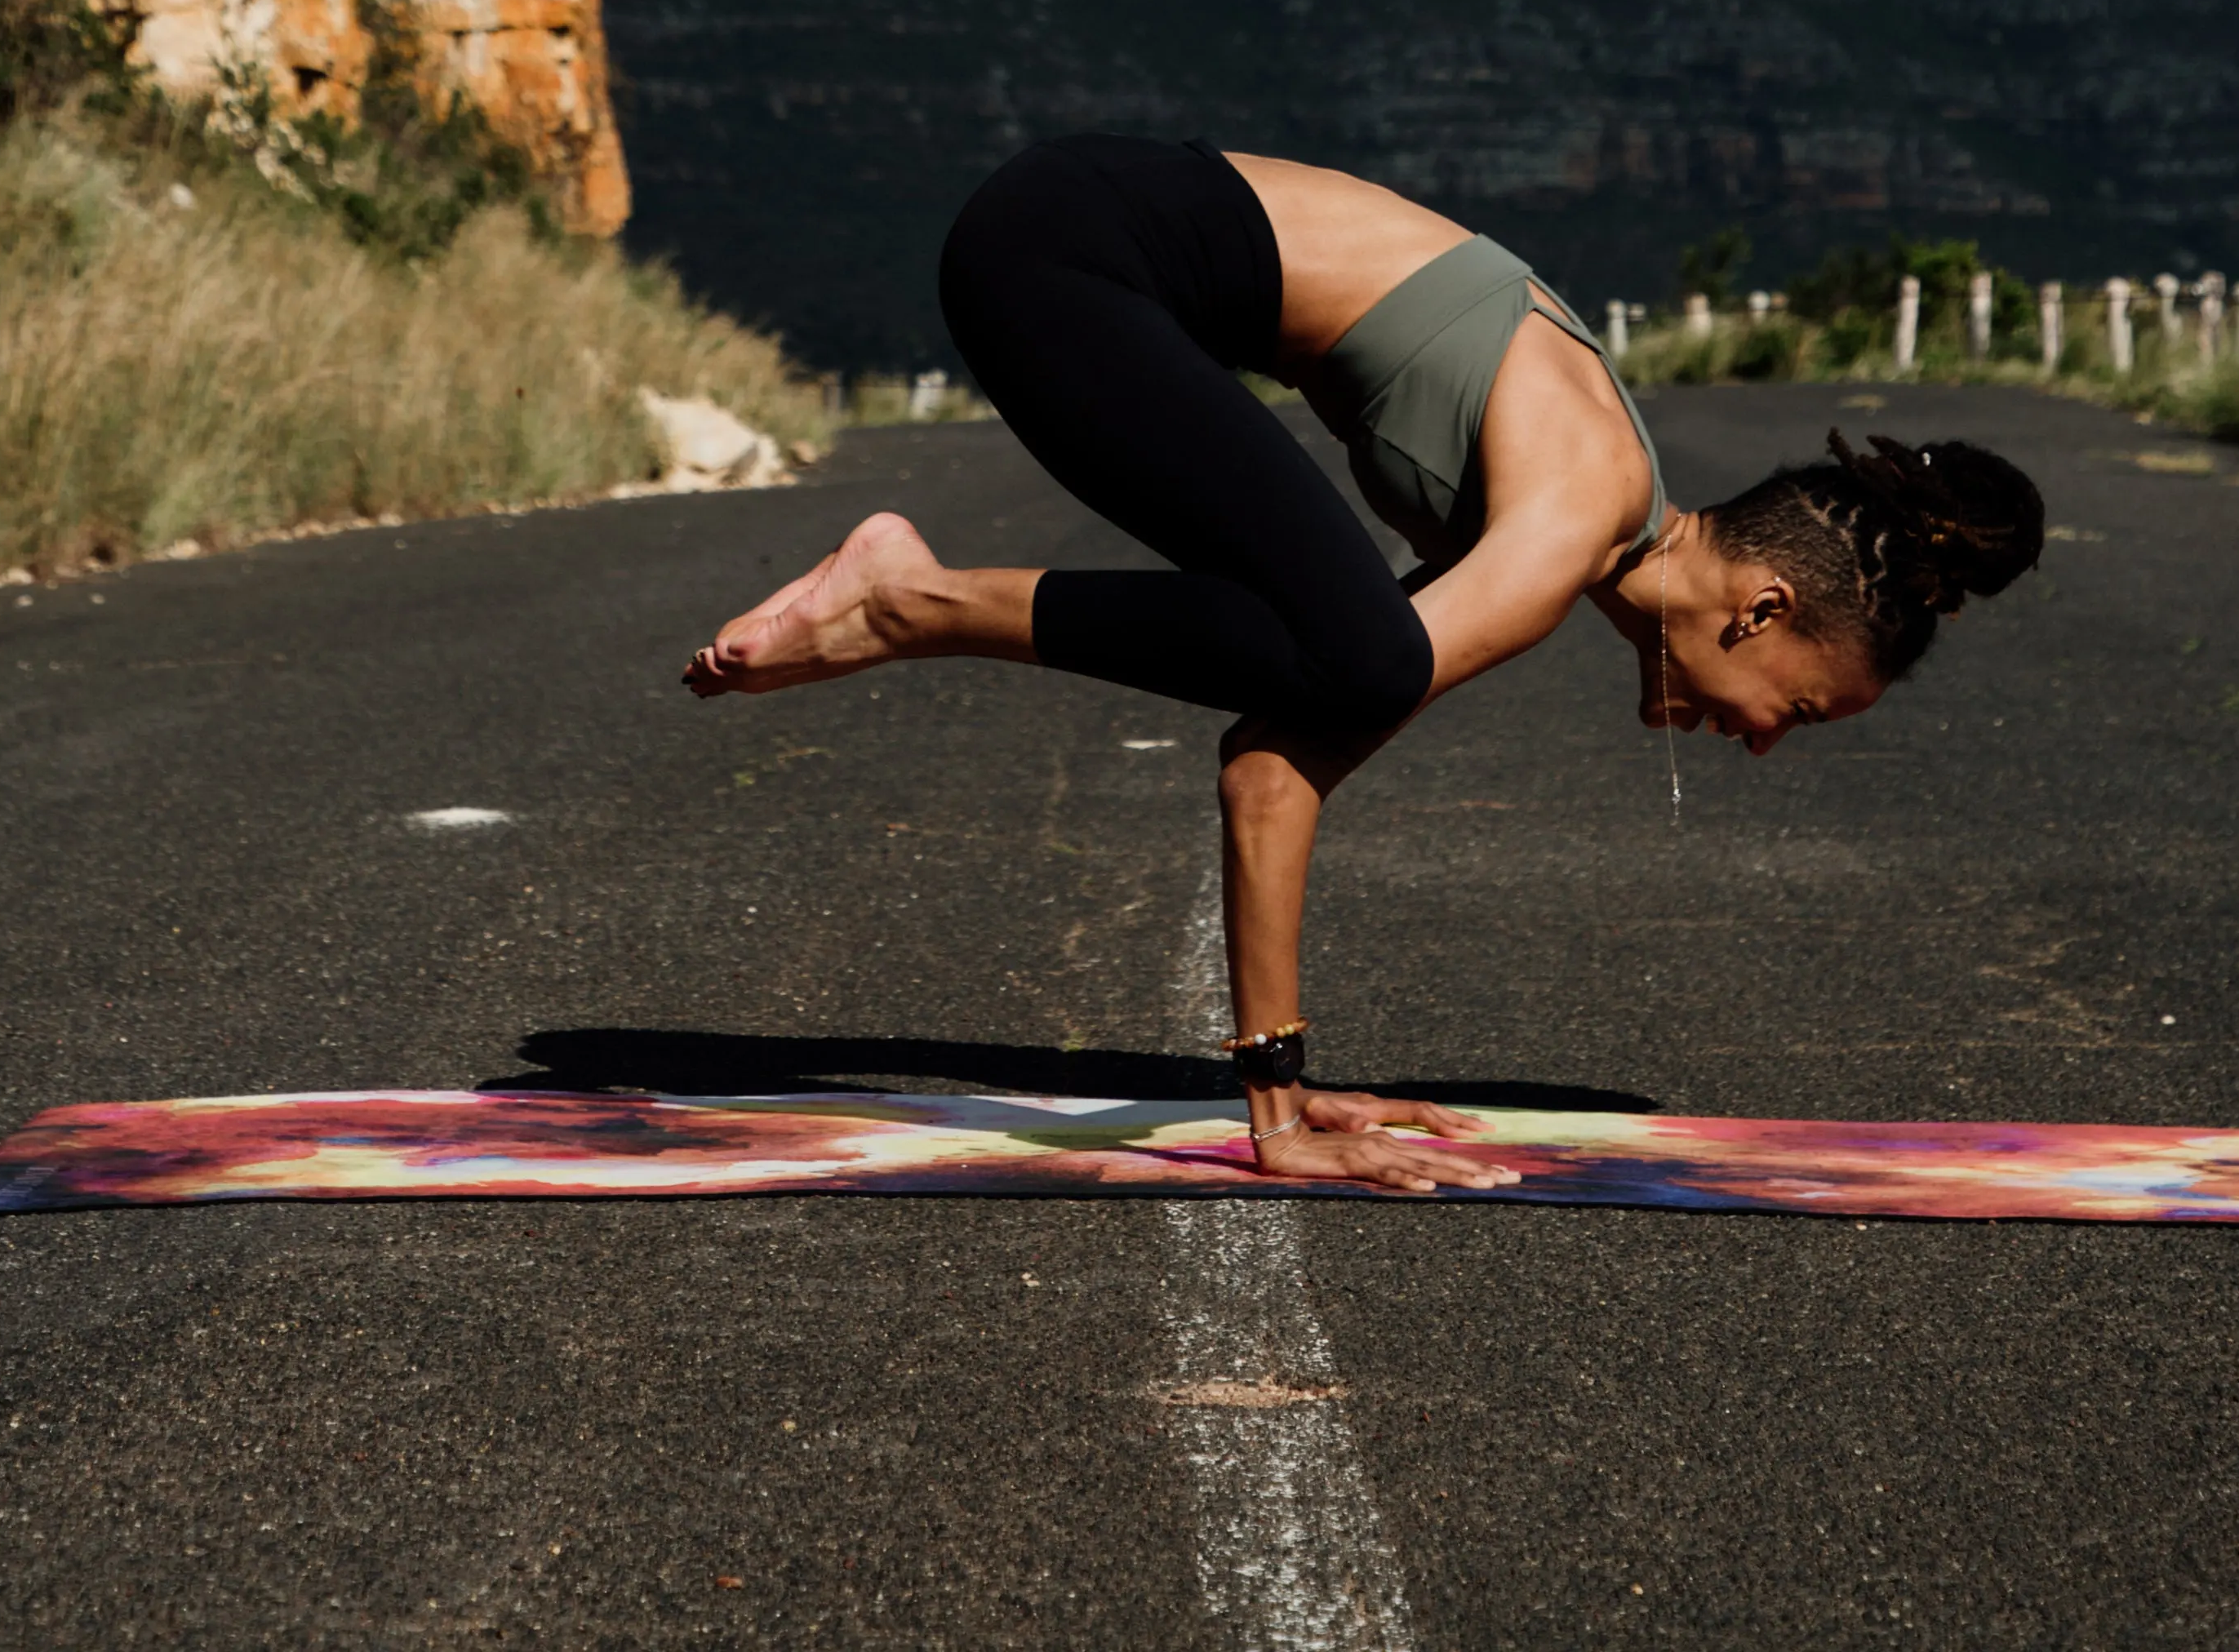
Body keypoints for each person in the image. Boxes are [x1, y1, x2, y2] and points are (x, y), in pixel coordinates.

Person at [686, 135, 2044, 1192]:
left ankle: (908, 601)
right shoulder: (1577, 511)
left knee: (1354, 653)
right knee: (1364, 658)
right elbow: (1273, 770)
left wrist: (1293, 1082)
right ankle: (905, 600)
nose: (1759, 740)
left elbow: (1298, 713)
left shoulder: (1585, 513)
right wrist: (1278, 1111)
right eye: (1794, 711)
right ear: (1758, 610)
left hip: (1075, 232)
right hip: (1068, 249)